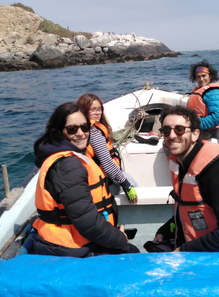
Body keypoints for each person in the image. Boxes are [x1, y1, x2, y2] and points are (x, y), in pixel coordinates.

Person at [148, 105, 219, 253]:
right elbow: (192, 209)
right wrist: (167, 230)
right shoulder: (184, 165)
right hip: (199, 254)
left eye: (179, 129)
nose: (171, 135)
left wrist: (184, 250)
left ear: (195, 134)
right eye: (166, 130)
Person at [32, 102, 139, 257]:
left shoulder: (74, 156)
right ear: (59, 132)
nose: (81, 133)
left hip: (78, 239)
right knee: (133, 254)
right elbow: (88, 223)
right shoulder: (68, 166)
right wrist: (120, 240)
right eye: (72, 129)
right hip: (70, 247)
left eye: (85, 127)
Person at [77, 93, 138, 204]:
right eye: (93, 110)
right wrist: (126, 185)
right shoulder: (94, 132)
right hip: (100, 180)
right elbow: (107, 164)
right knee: (135, 186)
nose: (97, 113)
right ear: (84, 111)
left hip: (91, 178)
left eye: (99, 109)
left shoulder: (81, 129)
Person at [186, 60, 219, 140]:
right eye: (198, 77)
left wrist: (190, 124)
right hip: (193, 126)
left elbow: (216, 118)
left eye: (204, 76)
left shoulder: (215, 93)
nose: (201, 79)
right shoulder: (202, 90)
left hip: (203, 131)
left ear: (210, 76)